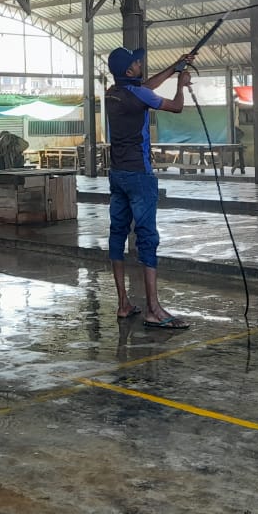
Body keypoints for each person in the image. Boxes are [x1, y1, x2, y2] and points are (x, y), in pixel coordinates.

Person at [104, 47, 196, 329]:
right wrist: (181, 84)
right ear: (129, 71)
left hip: (117, 173)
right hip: (139, 175)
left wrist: (174, 67)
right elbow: (176, 106)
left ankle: (123, 303)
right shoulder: (139, 94)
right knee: (147, 238)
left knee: (117, 234)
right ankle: (153, 309)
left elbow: (143, 88)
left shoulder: (112, 92)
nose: (140, 62)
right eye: (136, 61)